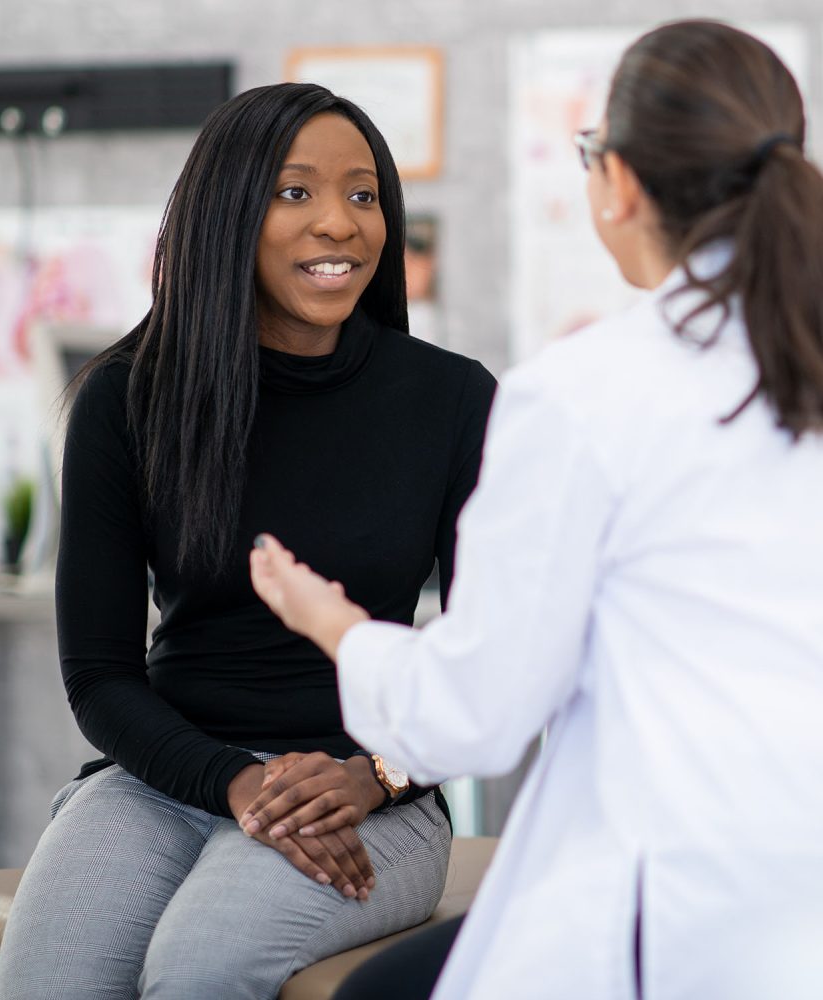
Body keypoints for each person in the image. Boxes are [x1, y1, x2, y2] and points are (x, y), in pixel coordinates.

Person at [247, 20, 823, 1000]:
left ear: (622, 184)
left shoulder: (584, 392)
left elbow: (476, 717)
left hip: (675, 909)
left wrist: (333, 625)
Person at [0, 82, 496, 1000]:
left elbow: (490, 659)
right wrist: (234, 784)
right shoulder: (125, 397)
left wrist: (375, 775)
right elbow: (98, 674)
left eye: (364, 194)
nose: (340, 223)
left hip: (377, 795)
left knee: (197, 971)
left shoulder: (455, 400)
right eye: (295, 192)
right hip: (168, 776)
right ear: (228, 215)